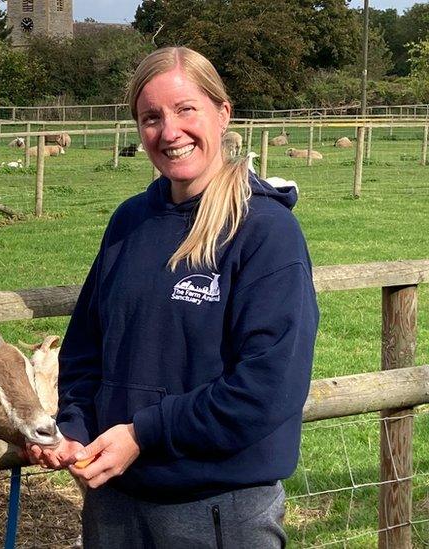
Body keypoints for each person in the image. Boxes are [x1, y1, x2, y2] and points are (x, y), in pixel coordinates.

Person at [26, 47, 319, 548]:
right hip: (114, 503)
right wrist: (74, 426)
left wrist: (143, 435)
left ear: (222, 113)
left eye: (186, 109)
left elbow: (266, 387)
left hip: (217, 510)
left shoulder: (266, 233)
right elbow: (85, 348)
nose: (169, 132)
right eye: (151, 117)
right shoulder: (129, 222)